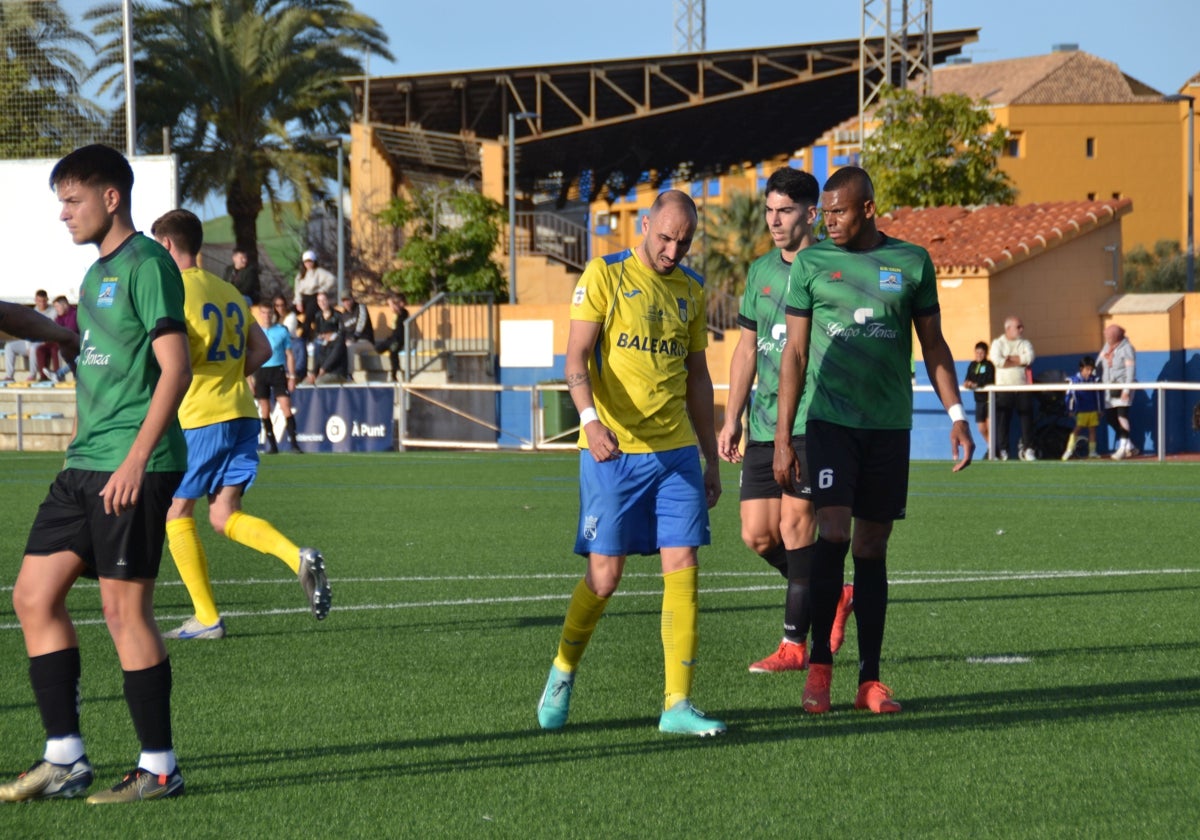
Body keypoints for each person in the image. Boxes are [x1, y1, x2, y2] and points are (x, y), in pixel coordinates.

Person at [0, 144, 193, 804]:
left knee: (122, 608)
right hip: (84, 466)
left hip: (131, 465)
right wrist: (5, 314)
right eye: (60, 200)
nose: (63, 213)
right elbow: (79, 343)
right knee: (33, 596)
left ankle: (160, 767)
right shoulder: (94, 277)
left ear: (113, 197)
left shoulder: (148, 265)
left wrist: (138, 460)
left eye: (72, 198)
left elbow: (176, 367)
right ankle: (64, 759)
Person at [772, 166, 974, 716]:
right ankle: (819, 669)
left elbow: (933, 344)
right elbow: (793, 354)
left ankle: (870, 680)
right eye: (825, 212)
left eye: (838, 211)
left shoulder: (911, 263)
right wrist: (785, 436)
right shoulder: (812, 264)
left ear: (867, 209)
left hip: (887, 426)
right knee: (832, 531)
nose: (827, 220)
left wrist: (957, 414)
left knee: (871, 547)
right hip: (829, 423)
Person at [536, 189, 726, 737]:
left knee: (683, 565)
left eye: (683, 241)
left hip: (675, 455)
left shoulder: (690, 289)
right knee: (604, 576)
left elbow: (697, 379)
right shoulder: (604, 275)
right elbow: (574, 360)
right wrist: (590, 422)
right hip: (612, 453)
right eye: (665, 237)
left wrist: (709, 457)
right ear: (644, 225)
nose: (672, 250)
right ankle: (563, 671)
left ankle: (677, 705)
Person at [150, 209, 330, 641]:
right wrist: (229, 374)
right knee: (224, 514)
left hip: (200, 416)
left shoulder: (172, 291)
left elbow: (167, 357)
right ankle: (296, 557)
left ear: (168, 245)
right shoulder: (229, 290)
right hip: (241, 413)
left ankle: (207, 618)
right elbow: (261, 347)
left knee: (176, 511)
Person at [716, 167, 854, 673]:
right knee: (757, 534)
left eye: (785, 211)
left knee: (797, 527)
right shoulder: (760, 273)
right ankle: (832, 592)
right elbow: (747, 348)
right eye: (769, 210)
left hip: (812, 420)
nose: (774, 221)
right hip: (764, 422)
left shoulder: (834, 268)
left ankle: (794, 645)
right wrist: (732, 416)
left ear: (811, 214)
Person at [253, 299, 303, 453]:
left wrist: (292, 376)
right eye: (263, 313)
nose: (266, 316)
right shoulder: (256, 332)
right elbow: (250, 354)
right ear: (260, 314)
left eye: (269, 313)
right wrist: (249, 379)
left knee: (285, 406)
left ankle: (294, 443)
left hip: (278, 371)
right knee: (265, 409)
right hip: (261, 372)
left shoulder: (281, 330)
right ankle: (272, 445)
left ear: (273, 314)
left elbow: (289, 354)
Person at [989, 316, 1036, 461]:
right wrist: (1018, 360)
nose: (1022, 329)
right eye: (1018, 327)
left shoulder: (1025, 343)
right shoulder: (998, 343)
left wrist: (1008, 358)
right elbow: (997, 361)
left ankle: (1028, 449)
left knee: (1027, 419)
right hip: (1004, 388)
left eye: (1022, 327)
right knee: (1003, 421)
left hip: (1022, 388)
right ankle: (1003, 451)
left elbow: (1029, 358)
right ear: (1008, 329)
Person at [1097, 323, 1138, 459]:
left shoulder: (1127, 349)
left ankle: (1122, 447)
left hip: (1121, 388)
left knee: (1122, 416)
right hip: (1109, 389)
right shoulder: (1107, 347)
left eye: (1108, 336)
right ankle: (1129, 445)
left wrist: (1126, 390)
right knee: (1110, 417)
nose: (1106, 338)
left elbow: (1130, 371)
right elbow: (1099, 361)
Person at [3, 289, 55, 381]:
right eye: (39, 301)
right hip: (31, 339)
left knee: (33, 348)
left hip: (44, 341)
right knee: (9, 346)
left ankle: (32, 375)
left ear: (47, 300)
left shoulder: (52, 312)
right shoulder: (33, 312)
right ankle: (9, 375)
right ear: (35, 301)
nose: (41, 303)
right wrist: (27, 346)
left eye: (43, 301)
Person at [1061, 356, 1103, 460]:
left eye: (1091, 369)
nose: (1089, 372)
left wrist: (1100, 409)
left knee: (1092, 430)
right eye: (1087, 369)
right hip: (1081, 411)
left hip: (1092, 410)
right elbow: (1069, 396)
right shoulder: (1074, 380)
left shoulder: (1095, 381)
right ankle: (1069, 450)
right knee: (1077, 429)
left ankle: (1092, 451)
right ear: (1081, 368)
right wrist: (1070, 409)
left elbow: (1099, 396)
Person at [962, 341, 996, 459]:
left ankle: (993, 451)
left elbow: (989, 380)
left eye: (981, 353)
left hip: (989, 400)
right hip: (979, 401)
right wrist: (967, 383)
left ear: (986, 353)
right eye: (977, 352)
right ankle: (991, 447)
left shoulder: (989, 365)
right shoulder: (972, 365)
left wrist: (976, 384)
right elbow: (968, 378)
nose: (979, 355)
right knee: (981, 428)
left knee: (990, 427)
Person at [306, 291, 348, 383]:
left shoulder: (337, 316)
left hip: (335, 371)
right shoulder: (318, 316)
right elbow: (316, 332)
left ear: (328, 300)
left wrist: (323, 369)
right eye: (319, 301)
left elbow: (334, 356)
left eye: (324, 300)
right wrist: (314, 372)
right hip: (322, 345)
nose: (322, 303)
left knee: (319, 382)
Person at [38, 295, 81, 382]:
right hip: (70, 346)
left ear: (65, 305)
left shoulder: (74, 314)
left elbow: (70, 331)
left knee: (78, 358)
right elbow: (56, 331)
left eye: (57, 306)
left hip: (81, 345)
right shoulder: (59, 317)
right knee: (61, 351)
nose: (56, 309)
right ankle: (61, 375)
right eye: (55, 307)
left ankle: (59, 374)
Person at [293, 249, 336, 332]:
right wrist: (298, 302)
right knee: (291, 313)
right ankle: (297, 328)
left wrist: (322, 290)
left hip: (313, 297)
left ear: (314, 261)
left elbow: (332, 279)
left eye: (310, 261)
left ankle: (304, 335)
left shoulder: (319, 272)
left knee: (308, 315)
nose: (308, 264)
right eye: (306, 262)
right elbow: (297, 290)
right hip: (303, 298)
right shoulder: (301, 274)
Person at [374, 293, 409, 381]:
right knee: (377, 348)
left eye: (399, 302)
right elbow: (394, 310)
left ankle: (394, 374)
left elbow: (396, 310)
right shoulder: (396, 314)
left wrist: (391, 303)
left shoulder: (404, 312)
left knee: (393, 352)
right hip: (393, 338)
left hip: (399, 339)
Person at [339, 292, 375, 377]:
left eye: (348, 300)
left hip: (365, 341)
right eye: (344, 301)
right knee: (339, 347)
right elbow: (342, 331)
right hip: (350, 342)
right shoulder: (343, 316)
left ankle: (349, 374)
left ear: (352, 299)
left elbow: (361, 324)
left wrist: (353, 338)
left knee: (350, 347)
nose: (346, 303)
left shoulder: (360, 308)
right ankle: (337, 373)